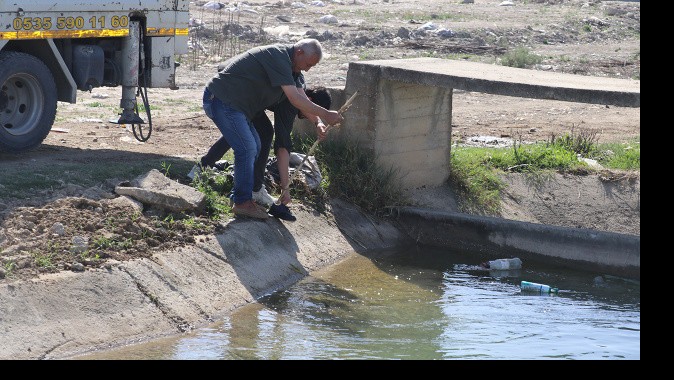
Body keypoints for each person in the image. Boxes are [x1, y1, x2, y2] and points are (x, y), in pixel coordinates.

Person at [197, 39, 343, 219]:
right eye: (307, 64)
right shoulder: (279, 57)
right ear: (298, 52)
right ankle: (242, 201)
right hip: (222, 100)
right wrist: (327, 115)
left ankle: (248, 193)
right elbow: (296, 99)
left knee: (257, 143)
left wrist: (319, 121)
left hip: (240, 107)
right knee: (247, 147)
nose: (307, 69)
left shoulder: (294, 70)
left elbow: (301, 97)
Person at [188, 87, 332, 211]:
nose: (311, 116)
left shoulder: (297, 91)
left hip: (246, 97)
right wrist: (285, 188)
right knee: (260, 133)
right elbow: (282, 147)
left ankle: (204, 167)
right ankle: (254, 188)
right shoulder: (290, 104)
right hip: (240, 96)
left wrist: (318, 122)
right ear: (309, 100)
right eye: (314, 111)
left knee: (248, 133)